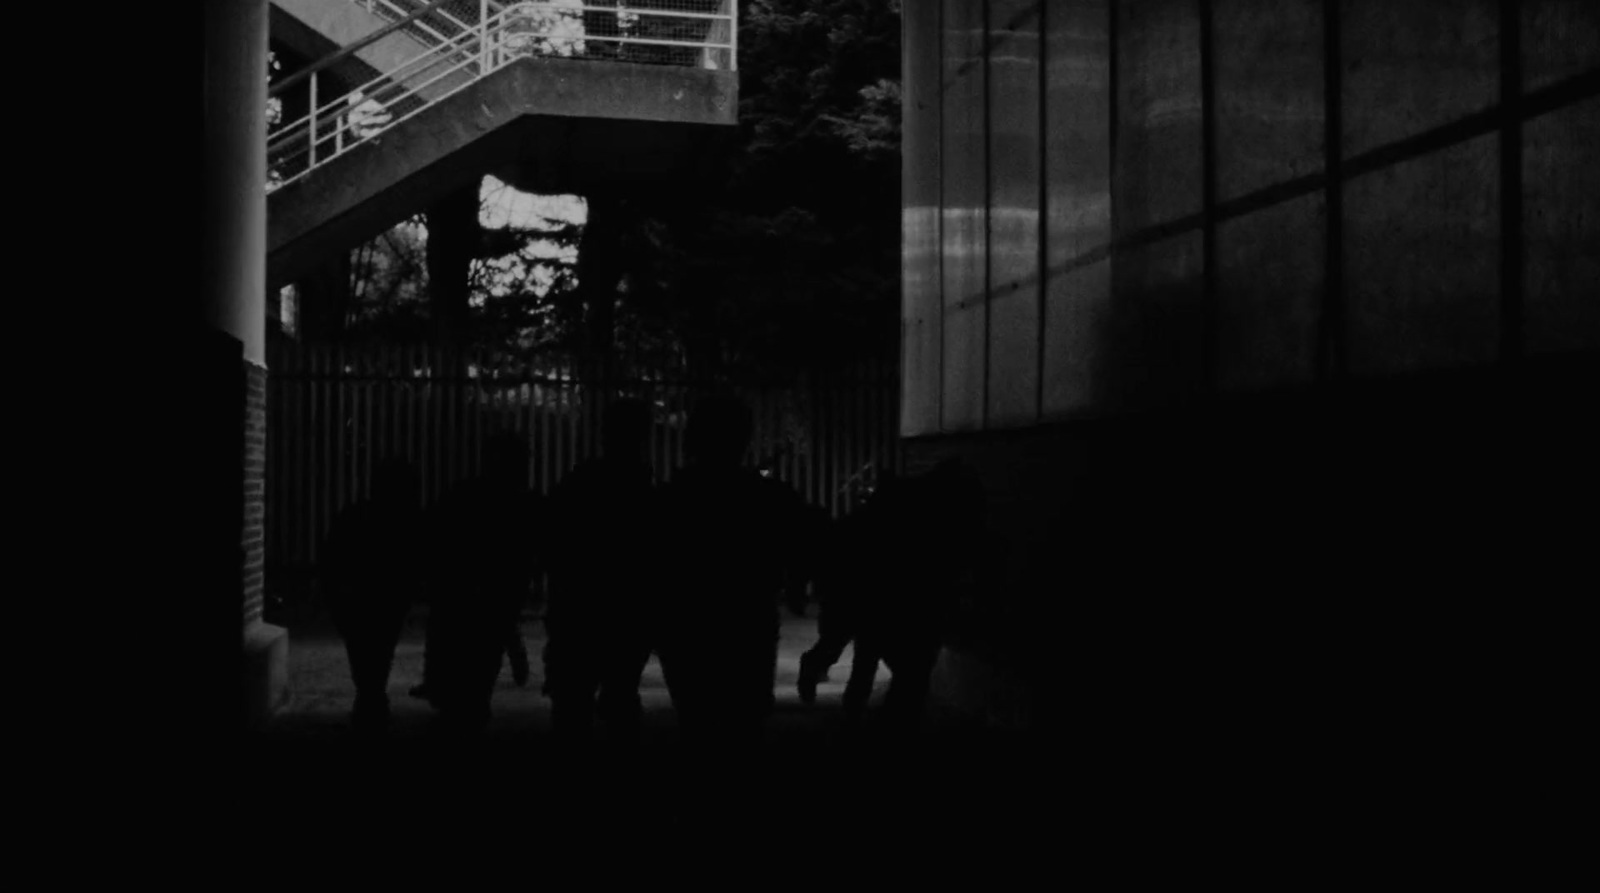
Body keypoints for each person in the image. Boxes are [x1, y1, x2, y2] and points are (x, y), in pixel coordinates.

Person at [653, 395, 828, 750]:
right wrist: (795, 585)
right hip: (748, 625)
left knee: (696, 722)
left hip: (686, 627)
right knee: (745, 726)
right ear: (744, 439)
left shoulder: (670, 499)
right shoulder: (767, 497)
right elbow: (808, 541)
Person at [542, 398, 657, 746]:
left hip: (578, 610)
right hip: (625, 613)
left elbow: (555, 542)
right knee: (621, 699)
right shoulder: (642, 490)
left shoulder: (580, 482)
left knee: (572, 706)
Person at [421, 431, 542, 733]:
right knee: (482, 674)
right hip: (491, 604)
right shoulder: (523, 505)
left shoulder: (464, 496)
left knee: (465, 679)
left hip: (461, 605)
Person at [318, 457, 426, 734]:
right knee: (380, 648)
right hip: (385, 597)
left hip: (354, 597)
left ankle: (370, 698)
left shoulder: (356, 516)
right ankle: (372, 698)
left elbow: (333, 560)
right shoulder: (407, 522)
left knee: (364, 650)